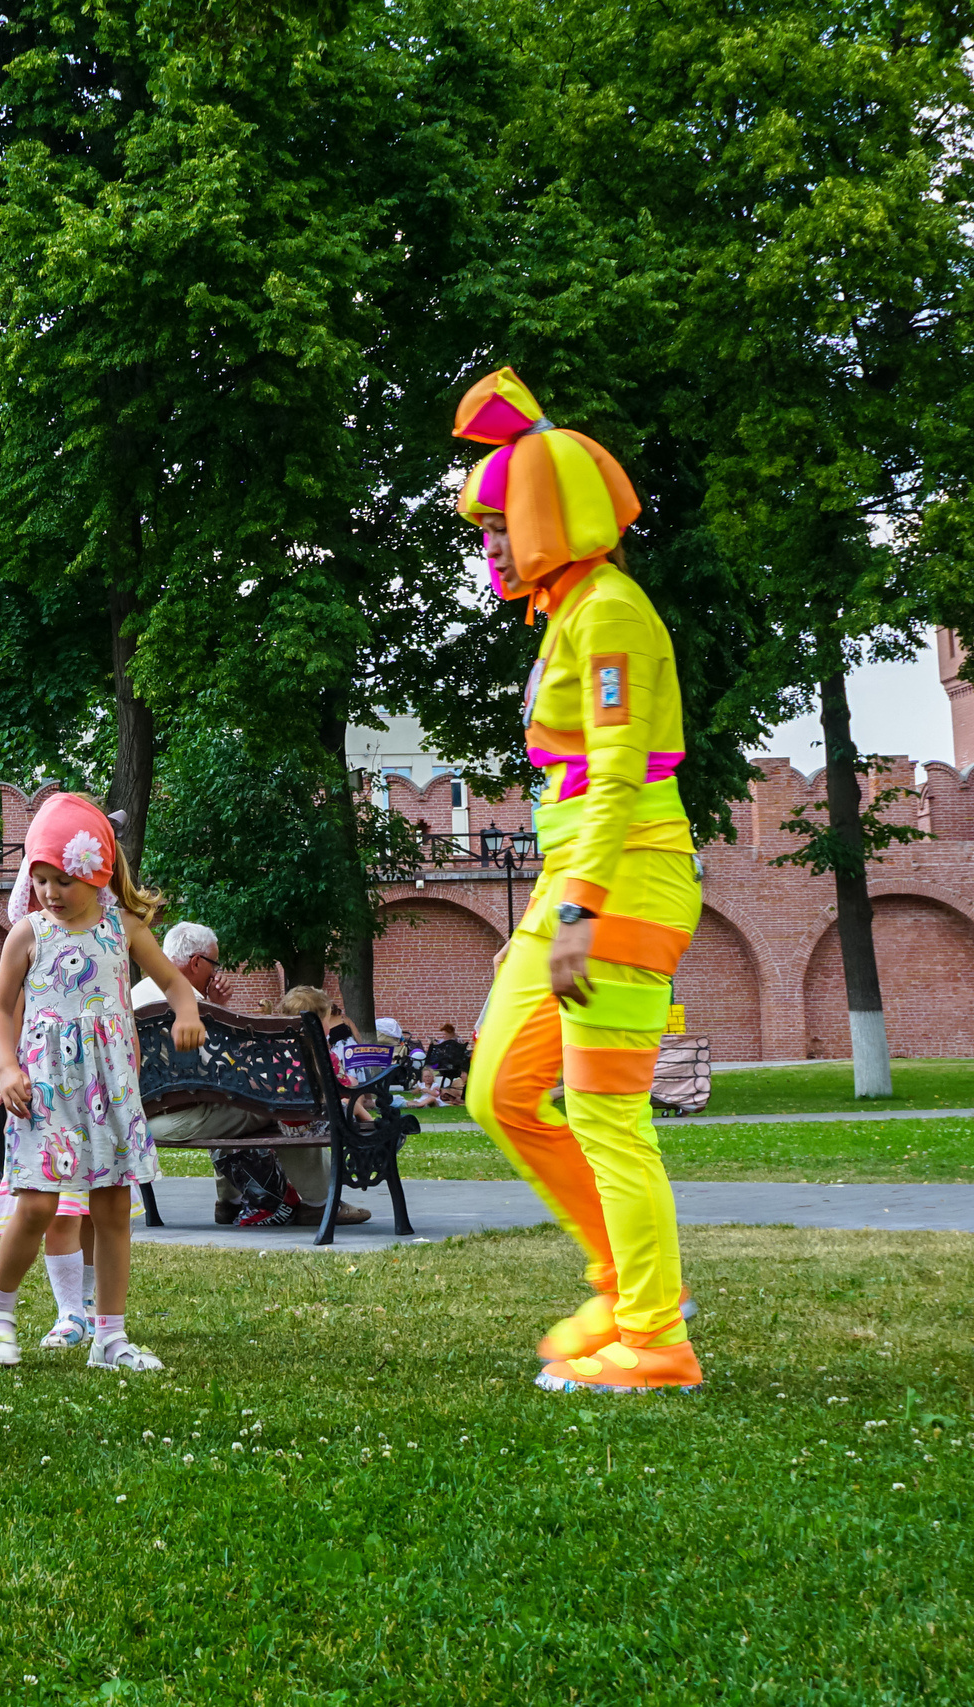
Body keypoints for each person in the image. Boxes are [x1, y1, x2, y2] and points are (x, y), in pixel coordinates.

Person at [454, 365, 703, 1393]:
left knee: (606, 1114)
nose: (488, 545)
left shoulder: (609, 614)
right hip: (581, 884)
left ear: (549, 518)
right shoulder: (570, 614)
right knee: (497, 1090)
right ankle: (629, 1285)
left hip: (623, 887)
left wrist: (574, 910)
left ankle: (655, 1336)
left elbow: (614, 773)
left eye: (499, 524)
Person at [0, 792, 199, 1372]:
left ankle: (110, 1337)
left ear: (96, 873)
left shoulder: (124, 929)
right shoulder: (28, 933)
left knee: (114, 1209)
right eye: (40, 879)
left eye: (63, 880)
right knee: (36, 1206)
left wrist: (187, 1012)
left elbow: (175, 983)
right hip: (44, 1093)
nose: (49, 892)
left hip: (111, 1092)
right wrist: (7, 1069)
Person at [129, 925, 371, 1229]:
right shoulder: (188, 1004)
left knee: (232, 1105)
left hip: (146, 1119)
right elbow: (227, 1071)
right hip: (185, 1119)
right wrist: (214, 1008)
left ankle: (229, 1202)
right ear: (196, 963)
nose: (216, 973)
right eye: (214, 964)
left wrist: (213, 1005)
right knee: (286, 1103)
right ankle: (320, 1203)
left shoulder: (136, 995)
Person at [425, 1023, 471, 1105]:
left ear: (451, 1033)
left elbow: (444, 1056)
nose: (443, 1036)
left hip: (448, 1066)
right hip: (456, 1067)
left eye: (445, 1034)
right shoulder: (460, 1041)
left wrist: (436, 1045)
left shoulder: (447, 1043)